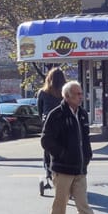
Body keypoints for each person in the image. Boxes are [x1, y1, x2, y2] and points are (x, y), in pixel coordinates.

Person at [40, 81, 104, 214]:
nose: (81, 96)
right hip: (63, 169)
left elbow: (85, 139)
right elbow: (46, 140)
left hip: (80, 168)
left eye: (81, 93)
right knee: (60, 205)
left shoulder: (82, 114)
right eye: (77, 94)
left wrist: (87, 156)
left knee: (84, 206)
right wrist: (61, 154)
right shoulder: (57, 115)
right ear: (67, 96)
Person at [36, 67, 67, 195]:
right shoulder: (65, 92)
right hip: (64, 125)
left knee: (48, 151)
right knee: (64, 149)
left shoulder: (42, 93)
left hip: (48, 125)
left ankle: (49, 174)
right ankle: (65, 174)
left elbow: (39, 111)